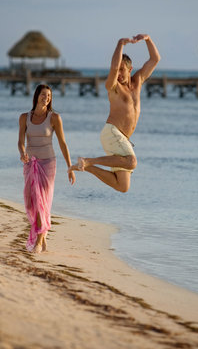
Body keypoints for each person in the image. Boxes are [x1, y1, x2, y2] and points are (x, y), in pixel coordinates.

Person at [68, 34, 160, 192]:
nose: (119, 74)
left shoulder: (138, 81)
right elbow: (114, 68)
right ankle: (89, 161)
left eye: (123, 71)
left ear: (130, 70)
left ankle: (85, 166)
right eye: (118, 71)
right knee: (131, 162)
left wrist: (147, 39)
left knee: (123, 186)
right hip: (112, 132)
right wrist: (120, 44)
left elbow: (155, 59)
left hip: (122, 138)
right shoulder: (113, 87)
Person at [18, 84, 75, 253]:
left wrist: (70, 167)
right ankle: (42, 237)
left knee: (42, 201)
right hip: (30, 163)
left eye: (49, 96)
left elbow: (63, 143)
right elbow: (20, 141)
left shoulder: (54, 118)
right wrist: (22, 153)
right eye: (44, 94)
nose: (47, 98)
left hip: (48, 163)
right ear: (36, 96)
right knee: (31, 201)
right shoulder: (24, 117)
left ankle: (39, 241)